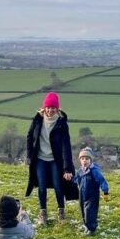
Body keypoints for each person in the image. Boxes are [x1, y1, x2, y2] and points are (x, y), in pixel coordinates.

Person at [25, 91, 74, 224]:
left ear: (57, 109)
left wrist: (67, 167)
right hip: (40, 158)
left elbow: (66, 146)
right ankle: (43, 213)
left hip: (55, 160)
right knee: (41, 186)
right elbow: (29, 137)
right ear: (44, 107)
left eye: (53, 107)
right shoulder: (37, 119)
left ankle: (61, 212)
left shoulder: (61, 123)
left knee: (58, 185)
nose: (50, 110)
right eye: (48, 107)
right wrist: (29, 155)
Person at [74, 146, 109, 235]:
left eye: (87, 159)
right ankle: (87, 225)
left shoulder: (94, 171)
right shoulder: (80, 171)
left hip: (93, 195)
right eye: (82, 159)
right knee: (83, 210)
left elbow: (102, 180)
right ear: (80, 161)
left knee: (90, 211)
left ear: (91, 160)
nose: (84, 161)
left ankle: (92, 228)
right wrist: (69, 179)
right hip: (82, 194)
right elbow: (76, 179)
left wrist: (105, 193)